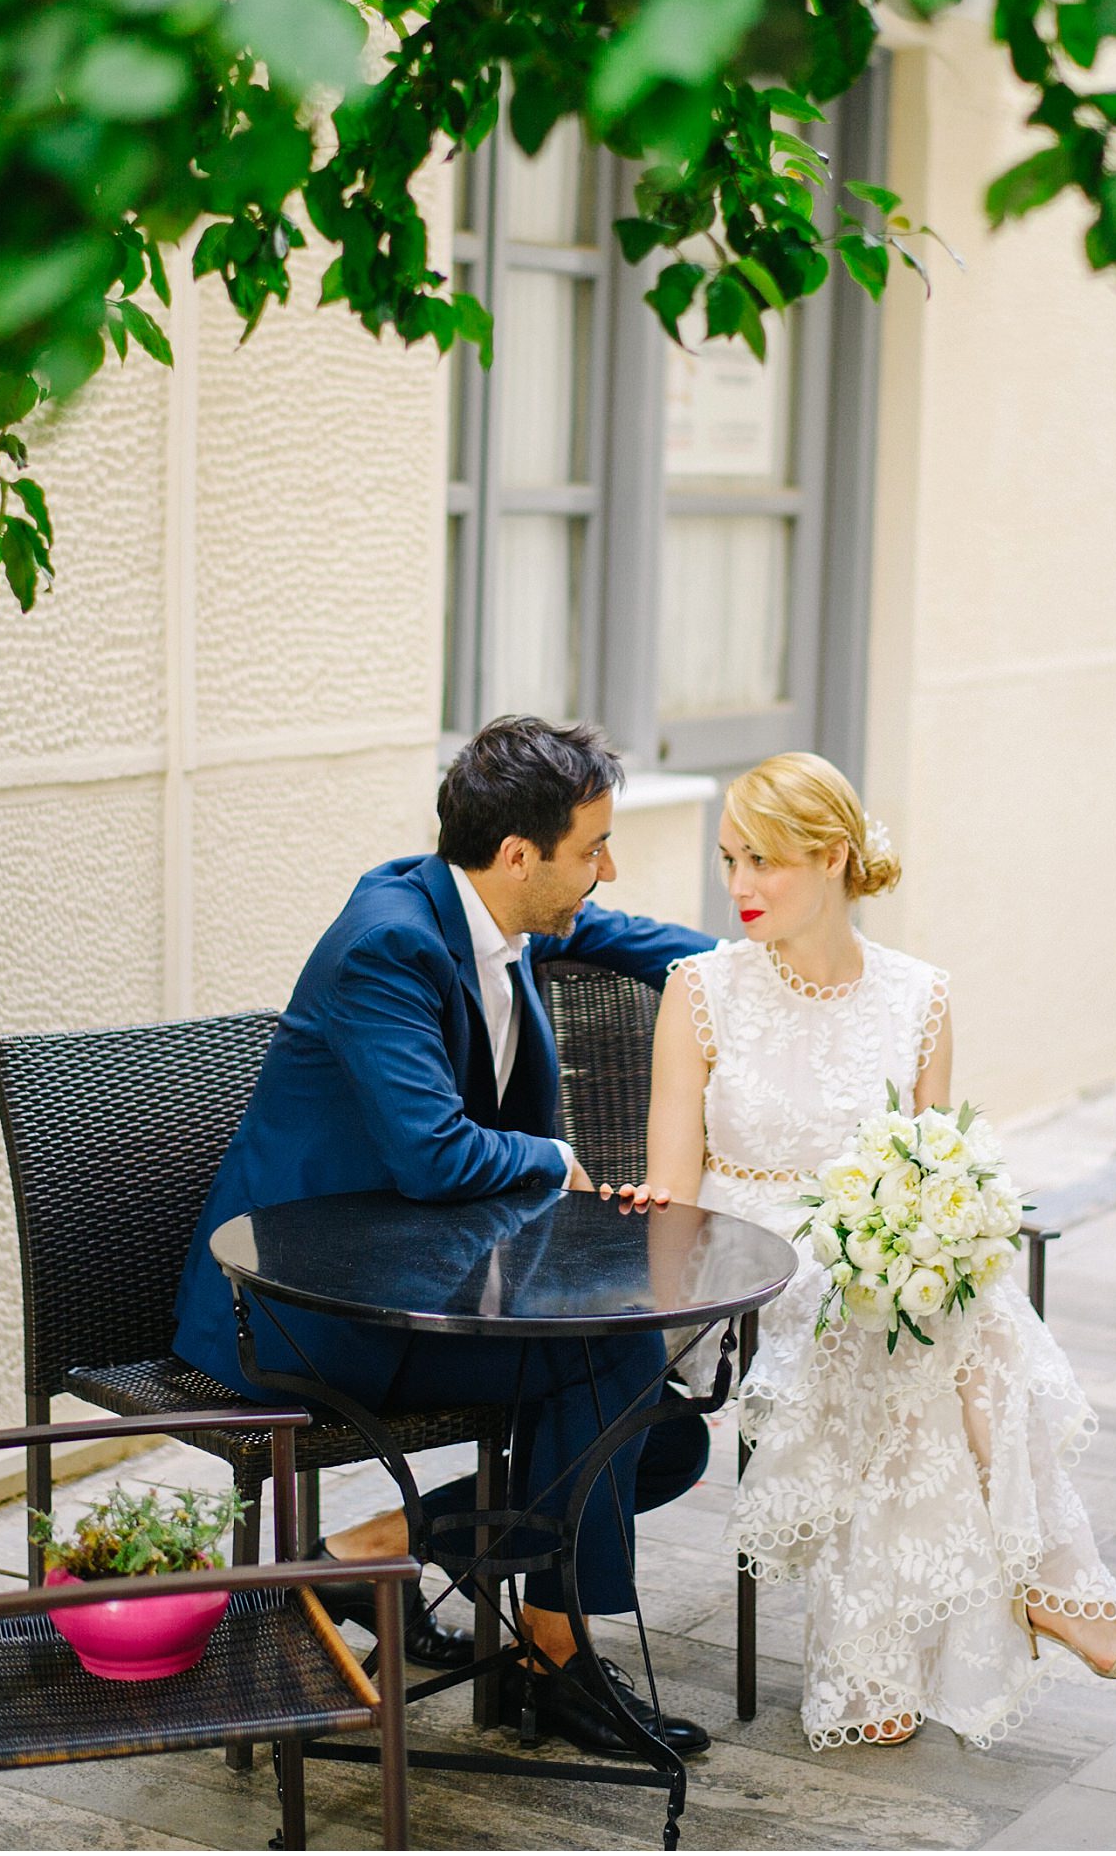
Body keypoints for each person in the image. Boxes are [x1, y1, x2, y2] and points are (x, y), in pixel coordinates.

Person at [173, 716, 717, 1755]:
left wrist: (776, 971)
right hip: (303, 1315)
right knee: (613, 1374)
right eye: (594, 847)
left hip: (429, 1284)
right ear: (520, 856)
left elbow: (624, 934)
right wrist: (555, 1161)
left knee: (658, 1429)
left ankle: (369, 1555)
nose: (611, 866)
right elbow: (433, 1156)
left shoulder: (495, 903)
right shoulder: (390, 943)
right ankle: (559, 1663)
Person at [638, 751, 1116, 1750]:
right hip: (744, 1259)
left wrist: (943, 1226)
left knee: (928, 1304)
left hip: (872, 1261)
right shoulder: (700, 990)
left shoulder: (920, 996)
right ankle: (1048, 1586)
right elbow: (673, 1188)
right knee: (908, 1318)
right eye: (729, 860)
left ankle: (881, 1661)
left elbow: (936, 1165)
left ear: (833, 856)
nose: (740, 887)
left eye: (763, 860)